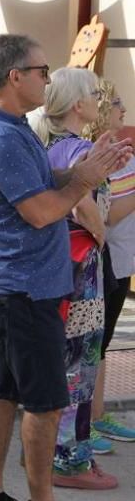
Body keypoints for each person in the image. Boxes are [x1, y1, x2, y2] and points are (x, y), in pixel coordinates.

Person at [0, 34, 130, 501]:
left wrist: (84, 169)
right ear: (15, 76)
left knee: (3, 391)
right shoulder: (3, 136)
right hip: (25, 287)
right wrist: (82, 179)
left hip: (15, 285)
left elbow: (37, 185)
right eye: (41, 70)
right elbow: (40, 211)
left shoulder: (8, 130)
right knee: (44, 401)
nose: (49, 79)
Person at [27, 67, 120, 489]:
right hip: (80, 268)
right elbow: (83, 201)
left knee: (60, 360)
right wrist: (99, 229)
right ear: (78, 104)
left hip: (53, 265)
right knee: (78, 362)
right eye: (94, 96)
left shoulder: (43, 144)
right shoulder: (75, 149)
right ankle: (69, 459)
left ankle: (55, 454)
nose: (99, 102)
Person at [86, 80, 135, 446]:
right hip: (101, 259)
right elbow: (109, 215)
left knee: (99, 345)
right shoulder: (95, 155)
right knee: (89, 345)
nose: (124, 108)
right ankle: (82, 422)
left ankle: (97, 416)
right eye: (117, 102)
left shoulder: (124, 155)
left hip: (121, 260)